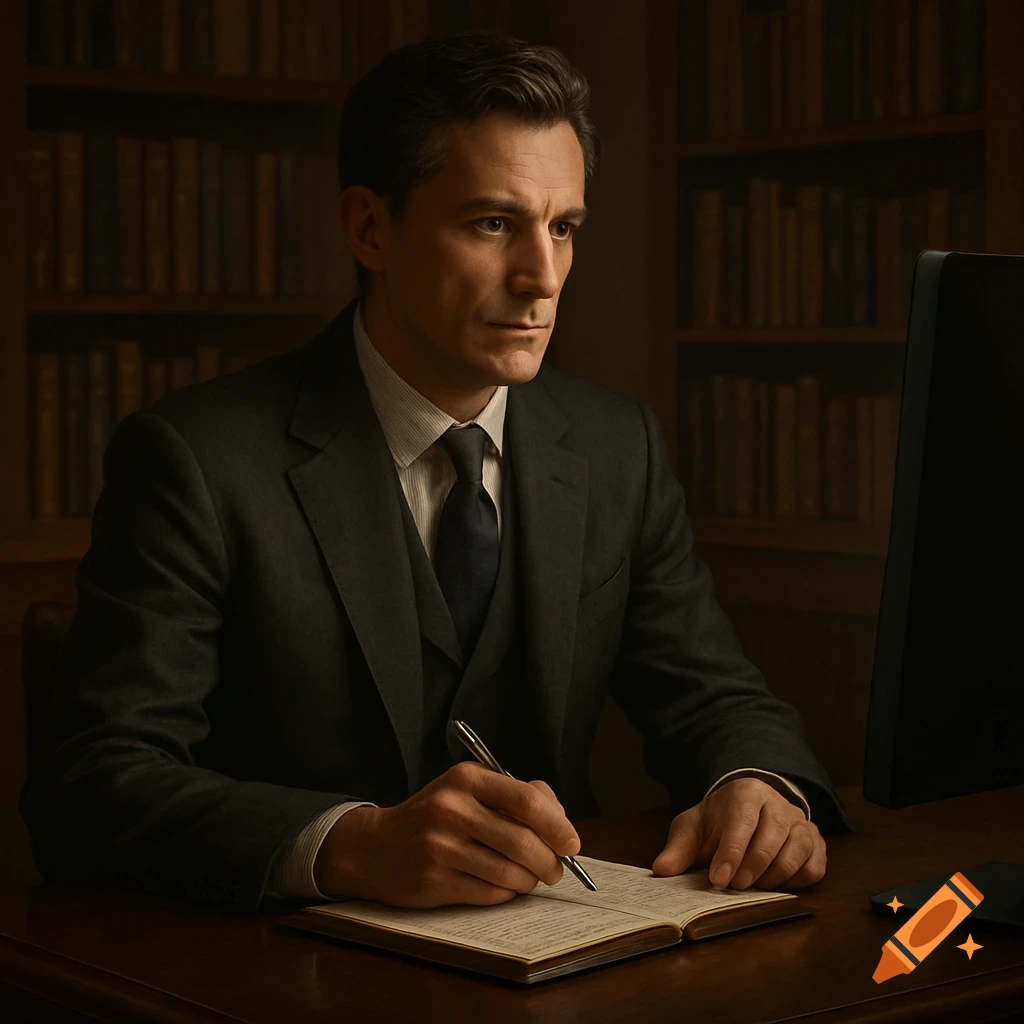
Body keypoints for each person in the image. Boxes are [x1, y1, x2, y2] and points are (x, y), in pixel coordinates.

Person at [21, 31, 849, 914]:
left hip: (571, 954)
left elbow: (714, 696)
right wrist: (347, 845)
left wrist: (759, 784)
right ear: (369, 228)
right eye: (493, 223)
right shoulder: (195, 459)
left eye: (562, 228)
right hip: (282, 977)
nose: (541, 277)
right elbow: (93, 784)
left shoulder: (617, 446)